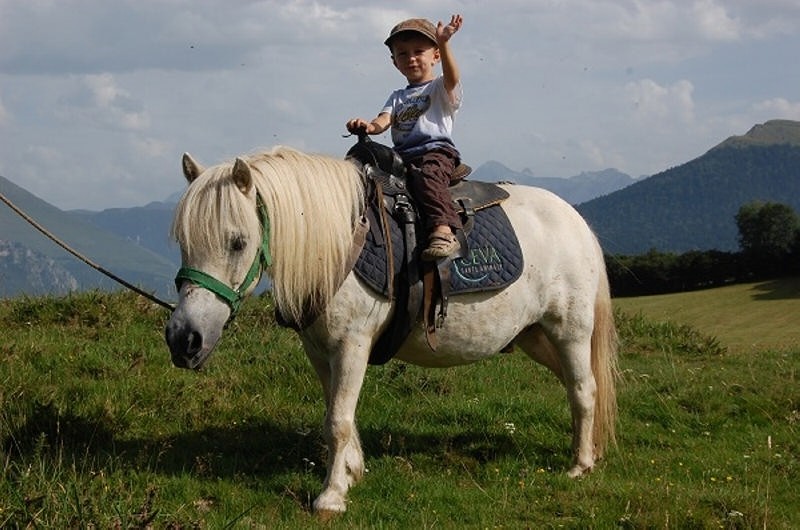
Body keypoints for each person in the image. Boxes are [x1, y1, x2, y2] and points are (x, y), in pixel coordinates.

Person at [346, 14, 465, 261]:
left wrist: (445, 43)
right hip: (402, 157)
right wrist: (368, 126)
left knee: (428, 177)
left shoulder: (439, 88)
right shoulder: (397, 96)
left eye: (419, 51)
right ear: (394, 62)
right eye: (403, 54)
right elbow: (383, 121)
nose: (411, 58)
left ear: (435, 56)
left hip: (435, 152)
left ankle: (444, 230)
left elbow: (453, 78)